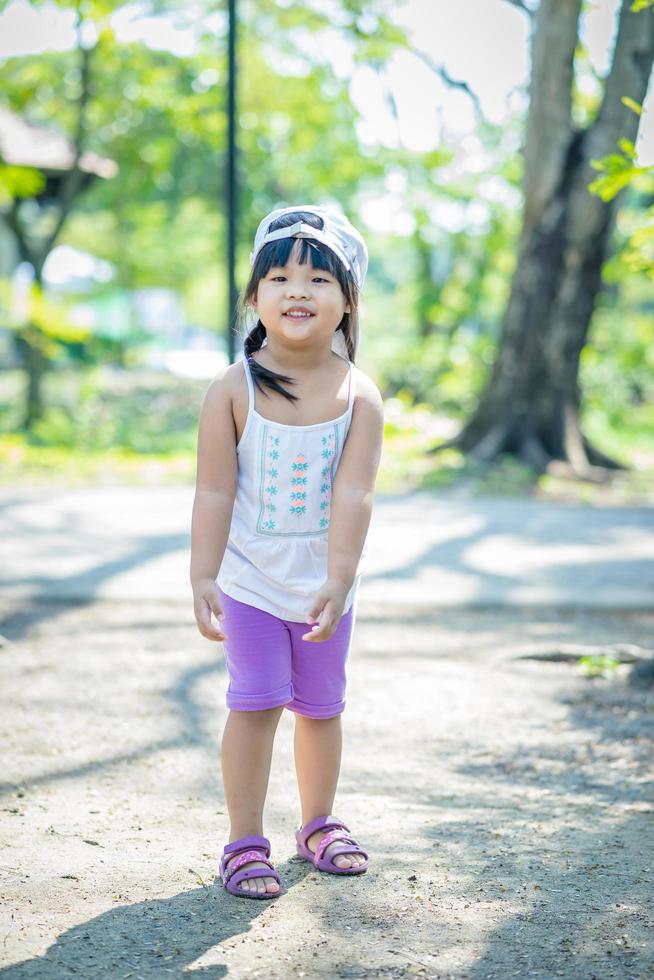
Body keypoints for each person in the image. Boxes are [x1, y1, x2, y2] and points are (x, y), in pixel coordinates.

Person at [189, 204, 384, 900]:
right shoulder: (231, 389)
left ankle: (318, 823)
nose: (297, 291)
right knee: (256, 703)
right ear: (255, 297)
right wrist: (203, 574)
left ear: (347, 301)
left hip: (325, 585)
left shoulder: (359, 395)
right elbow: (213, 492)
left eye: (318, 280)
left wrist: (341, 575)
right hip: (248, 580)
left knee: (321, 708)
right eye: (279, 277)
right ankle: (244, 841)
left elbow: (355, 494)